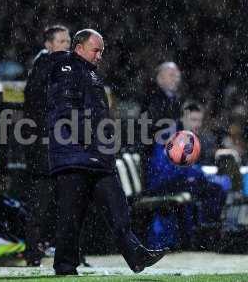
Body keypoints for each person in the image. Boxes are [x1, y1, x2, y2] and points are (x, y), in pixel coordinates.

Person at [47, 29, 168, 275]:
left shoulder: (91, 74)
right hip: (74, 156)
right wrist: (91, 138)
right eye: (96, 50)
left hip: (97, 157)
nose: (100, 55)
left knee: (118, 208)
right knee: (71, 216)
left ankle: (136, 256)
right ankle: (65, 267)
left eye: (102, 50)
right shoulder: (66, 68)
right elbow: (66, 111)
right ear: (79, 47)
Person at [146, 102, 226, 249]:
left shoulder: (187, 136)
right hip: (163, 183)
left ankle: (203, 232)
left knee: (214, 188)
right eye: (193, 120)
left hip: (176, 179)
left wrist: (196, 174)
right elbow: (167, 168)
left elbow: (186, 167)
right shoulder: (172, 136)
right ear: (183, 118)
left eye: (199, 120)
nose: (197, 124)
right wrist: (196, 174)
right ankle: (203, 235)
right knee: (214, 189)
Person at [23, 25, 70, 266]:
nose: (66, 45)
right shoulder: (44, 68)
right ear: (49, 45)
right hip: (46, 148)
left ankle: (52, 251)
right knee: (42, 203)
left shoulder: (58, 67)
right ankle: (33, 252)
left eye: (67, 40)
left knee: (60, 202)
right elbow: (39, 109)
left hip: (56, 146)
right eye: (61, 41)